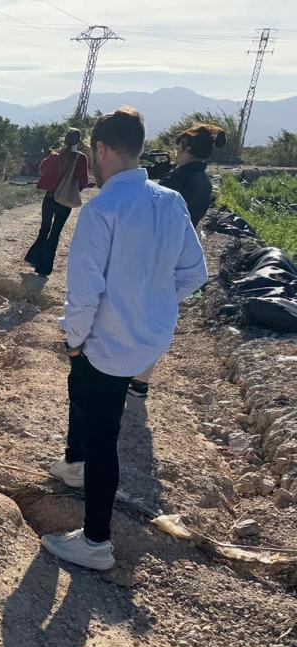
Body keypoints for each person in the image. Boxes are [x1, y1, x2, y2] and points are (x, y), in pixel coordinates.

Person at [43, 107, 208, 570]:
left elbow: (84, 293)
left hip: (108, 343)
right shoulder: (171, 201)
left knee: (104, 434)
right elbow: (195, 273)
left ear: (100, 149)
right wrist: (151, 299)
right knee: (86, 395)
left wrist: (74, 339)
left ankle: (95, 541)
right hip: (148, 338)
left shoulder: (103, 210)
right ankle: (73, 465)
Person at [127, 123, 225, 399]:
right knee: (158, 317)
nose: (175, 152)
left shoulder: (177, 181)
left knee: (135, 312)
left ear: (187, 149)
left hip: (153, 252)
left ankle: (126, 368)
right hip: (178, 253)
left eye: (178, 147)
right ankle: (140, 380)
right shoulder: (202, 181)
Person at [24, 128, 89, 277]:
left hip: (49, 197)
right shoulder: (81, 158)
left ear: (64, 139)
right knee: (55, 233)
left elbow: (42, 169)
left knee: (44, 229)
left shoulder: (55, 155)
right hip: (65, 200)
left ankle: (35, 259)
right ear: (79, 141)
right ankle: (44, 269)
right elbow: (83, 181)